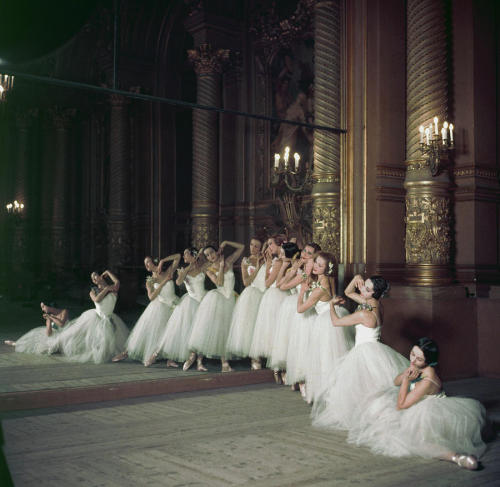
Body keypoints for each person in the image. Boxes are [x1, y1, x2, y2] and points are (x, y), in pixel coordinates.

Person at [347, 338, 486, 470]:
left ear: (429, 361)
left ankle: (456, 457)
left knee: (414, 441)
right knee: (379, 404)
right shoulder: (417, 366)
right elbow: (395, 382)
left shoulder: (428, 380)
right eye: (412, 354)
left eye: (419, 359)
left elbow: (401, 405)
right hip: (417, 406)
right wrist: (406, 374)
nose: (413, 360)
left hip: (432, 413)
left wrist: (407, 380)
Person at [311, 274, 408, 430]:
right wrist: (356, 278)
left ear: (373, 293)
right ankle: (373, 417)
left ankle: (369, 419)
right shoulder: (376, 305)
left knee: (358, 387)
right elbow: (349, 293)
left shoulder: (365, 314)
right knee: (372, 387)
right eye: (364, 285)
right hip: (375, 350)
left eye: (367, 289)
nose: (362, 289)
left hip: (363, 352)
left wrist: (331, 306)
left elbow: (336, 322)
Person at [186, 241, 244, 372]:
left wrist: (226, 243)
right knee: (220, 330)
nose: (210, 256)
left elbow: (241, 247)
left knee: (228, 330)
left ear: (217, 251)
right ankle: (222, 363)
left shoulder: (229, 260)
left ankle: (224, 363)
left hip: (231, 297)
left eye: (211, 252)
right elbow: (219, 282)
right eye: (207, 255)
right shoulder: (209, 268)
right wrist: (222, 267)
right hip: (219, 299)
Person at [112, 254, 180, 365]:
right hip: (161, 306)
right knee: (148, 330)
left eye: (148, 262)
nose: (147, 265)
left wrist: (163, 260)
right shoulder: (150, 280)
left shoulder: (168, 271)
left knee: (173, 331)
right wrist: (163, 283)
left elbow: (178, 256)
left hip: (174, 304)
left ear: (155, 262)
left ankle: (170, 358)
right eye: (145, 264)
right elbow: (151, 297)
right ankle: (127, 352)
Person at [304, 254, 354, 404]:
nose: (315, 267)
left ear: (327, 269)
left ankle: (330, 395)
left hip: (326, 321)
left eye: (320, 265)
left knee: (326, 359)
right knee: (333, 357)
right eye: (316, 263)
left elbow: (301, 309)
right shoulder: (327, 278)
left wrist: (301, 292)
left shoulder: (321, 285)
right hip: (333, 315)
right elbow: (333, 296)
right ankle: (331, 392)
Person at [50, 270, 129, 364]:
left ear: (101, 276)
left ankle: (117, 355)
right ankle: (58, 344)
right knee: (74, 335)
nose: (94, 278)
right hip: (96, 318)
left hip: (110, 317)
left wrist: (108, 272)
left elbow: (117, 282)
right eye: (92, 278)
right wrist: (107, 289)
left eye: (95, 275)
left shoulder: (113, 288)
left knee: (111, 342)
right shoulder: (93, 291)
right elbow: (97, 299)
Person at [146, 248, 207, 367]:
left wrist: (199, 257)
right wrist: (190, 265)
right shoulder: (184, 270)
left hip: (204, 300)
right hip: (190, 303)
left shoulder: (202, 267)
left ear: (193, 255)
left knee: (200, 330)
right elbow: (178, 282)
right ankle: (157, 353)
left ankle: (199, 360)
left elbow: (206, 259)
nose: (183, 255)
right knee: (176, 330)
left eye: (186, 254)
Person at [249, 236, 292, 370]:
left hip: (276, 295)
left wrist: (268, 265)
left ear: (280, 245)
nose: (268, 248)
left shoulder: (278, 262)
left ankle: (277, 363)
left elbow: (267, 283)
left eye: (271, 244)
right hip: (273, 295)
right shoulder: (275, 260)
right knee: (270, 327)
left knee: (274, 327)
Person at [225, 237, 266, 360]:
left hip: (266, 294)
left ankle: (263, 353)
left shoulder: (267, 260)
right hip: (253, 294)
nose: (253, 248)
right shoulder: (246, 261)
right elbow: (246, 282)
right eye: (251, 245)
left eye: (256, 246)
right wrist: (258, 268)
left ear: (261, 248)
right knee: (251, 324)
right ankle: (254, 357)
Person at [4, 302, 69, 354]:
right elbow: (49, 334)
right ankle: (15, 343)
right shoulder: (48, 317)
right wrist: (49, 319)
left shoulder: (63, 312)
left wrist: (51, 317)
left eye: (43, 307)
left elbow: (61, 324)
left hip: (65, 335)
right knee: (33, 341)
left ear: (49, 306)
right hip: (54, 336)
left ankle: (15, 343)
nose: (42, 309)